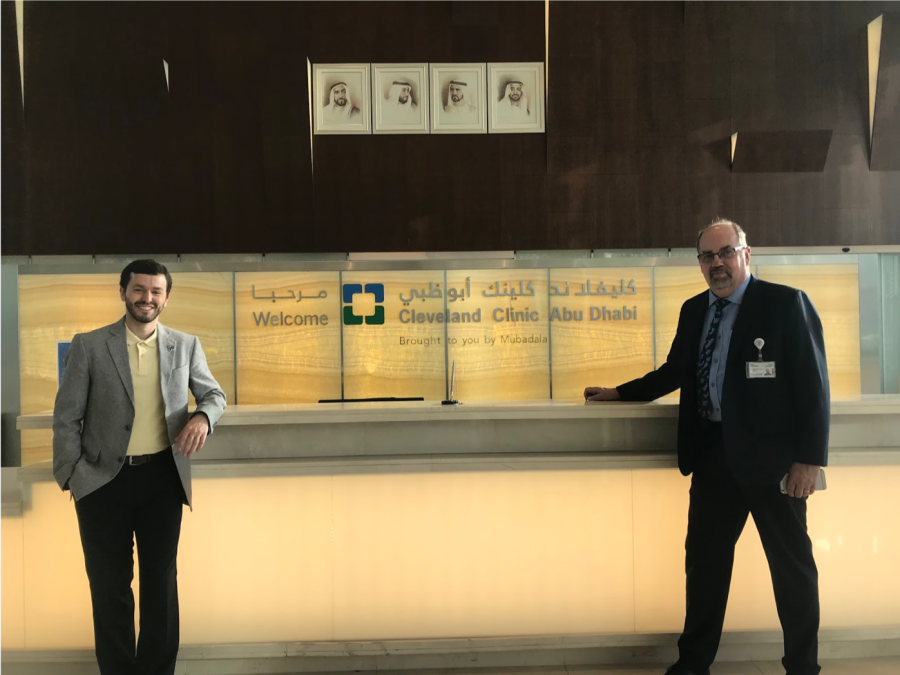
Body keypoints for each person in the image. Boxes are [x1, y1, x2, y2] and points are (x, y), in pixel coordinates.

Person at [584, 219, 828, 675]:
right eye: (707, 256)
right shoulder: (695, 309)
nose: (717, 264)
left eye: (725, 252)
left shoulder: (785, 304)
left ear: (746, 254)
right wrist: (619, 392)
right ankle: (693, 664)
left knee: (791, 570)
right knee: (705, 568)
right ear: (699, 263)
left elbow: (814, 388)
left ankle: (803, 667)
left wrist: (809, 461)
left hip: (775, 464)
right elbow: (674, 371)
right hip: (714, 458)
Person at [53, 259, 227, 675]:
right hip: (101, 483)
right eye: (139, 289)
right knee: (110, 588)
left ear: (166, 297)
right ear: (123, 292)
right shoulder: (90, 345)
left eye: (155, 291)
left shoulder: (185, 345)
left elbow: (214, 395)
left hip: (162, 481)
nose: (146, 298)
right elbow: (66, 416)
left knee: (160, 588)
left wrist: (203, 417)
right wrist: (71, 477)